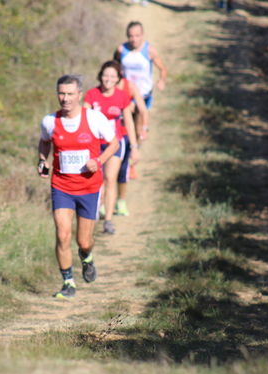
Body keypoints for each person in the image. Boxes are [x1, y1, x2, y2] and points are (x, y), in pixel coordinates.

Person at [38, 75, 119, 299]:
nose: (65, 99)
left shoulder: (94, 119)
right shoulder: (49, 121)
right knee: (63, 235)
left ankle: (87, 257)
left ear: (79, 95)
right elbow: (45, 142)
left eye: (70, 94)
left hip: (89, 188)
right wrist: (42, 161)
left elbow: (114, 143)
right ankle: (68, 282)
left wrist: (99, 161)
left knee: (83, 241)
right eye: (61, 94)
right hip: (62, 186)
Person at [84, 61, 139, 234]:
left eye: (112, 76)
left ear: (118, 79)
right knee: (94, 180)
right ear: (100, 76)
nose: (108, 79)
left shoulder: (122, 96)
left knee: (109, 178)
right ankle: (91, 216)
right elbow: (83, 118)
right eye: (105, 75)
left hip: (115, 143)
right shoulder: (92, 94)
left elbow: (129, 122)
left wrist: (135, 146)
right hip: (94, 144)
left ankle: (108, 220)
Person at [114, 20, 167, 142]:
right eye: (131, 36)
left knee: (138, 124)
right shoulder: (121, 50)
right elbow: (114, 66)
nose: (134, 39)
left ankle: (135, 145)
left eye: (137, 35)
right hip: (127, 92)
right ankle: (126, 148)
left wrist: (161, 80)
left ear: (142, 35)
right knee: (123, 124)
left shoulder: (149, 51)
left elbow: (163, 69)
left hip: (143, 93)